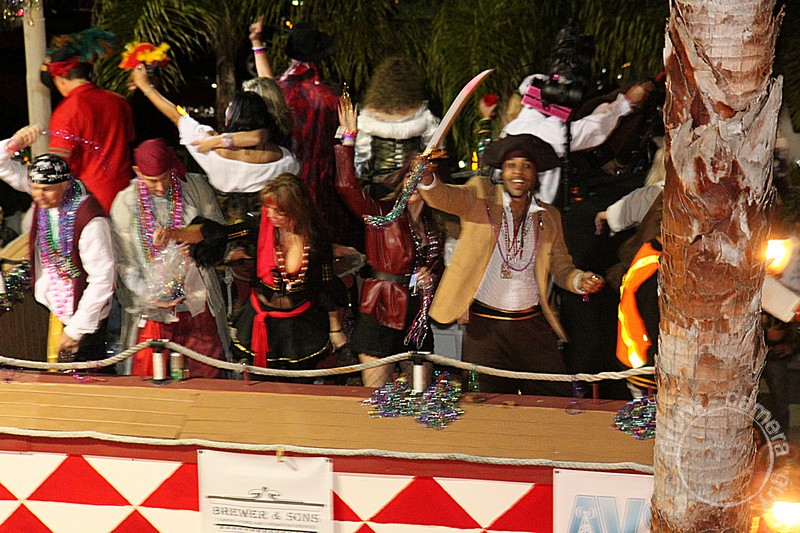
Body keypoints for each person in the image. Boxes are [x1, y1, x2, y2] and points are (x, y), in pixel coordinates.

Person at [417, 134, 604, 395]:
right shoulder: (480, 197)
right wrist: (428, 179)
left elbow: (561, 266)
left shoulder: (548, 216)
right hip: (484, 331)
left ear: (535, 175)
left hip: (533, 329)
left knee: (552, 405)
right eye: (511, 166)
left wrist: (579, 280)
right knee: (484, 405)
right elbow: (444, 197)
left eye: (526, 166)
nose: (518, 172)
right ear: (501, 172)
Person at [161, 174, 347, 378]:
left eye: (278, 211)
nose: (271, 215)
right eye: (269, 208)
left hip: (300, 326)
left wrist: (335, 329)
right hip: (260, 320)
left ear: (296, 208)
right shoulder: (259, 226)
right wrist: (174, 234)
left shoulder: (316, 239)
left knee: (297, 385)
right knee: (259, 382)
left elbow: (327, 285)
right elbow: (215, 233)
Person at [336, 95, 443, 387]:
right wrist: (348, 138)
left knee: (421, 397)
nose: (416, 182)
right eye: (412, 176)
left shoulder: (435, 225)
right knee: (377, 397)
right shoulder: (383, 214)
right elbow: (346, 186)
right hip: (381, 311)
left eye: (424, 177)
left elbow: (440, 267)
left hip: (417, 315)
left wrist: (430, 276)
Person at [110, 139, 231, 378]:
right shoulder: (125, 203)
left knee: (207, 376)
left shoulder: (194, 187)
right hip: (153, 311)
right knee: (151, 377)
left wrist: (195, 250)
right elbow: (124, 263)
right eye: (152, 180)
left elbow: (217, 235)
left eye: (165, 177)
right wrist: (148, 294)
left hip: (197, 303)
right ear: (137, 172)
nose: (159, 186)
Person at [130, 65, 300, 227]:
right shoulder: (284, 159)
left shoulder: (209, 149)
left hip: (224, 230)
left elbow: (176, 115)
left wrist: (145, 86)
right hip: (267, 227)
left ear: (232, 116)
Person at [0, 125, 115, 365]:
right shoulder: (44, 193)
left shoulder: (90, 220)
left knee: (86, 378)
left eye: (46, 190)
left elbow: (103, 279)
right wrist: (15, 143)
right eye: (34, 188)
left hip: (85, 318)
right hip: (55, 308)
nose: (38, 196)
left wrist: (75, 330)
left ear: (65, 185)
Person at [502, 76, 653, 204]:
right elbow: (592, 129)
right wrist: (626, 102)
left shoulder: (513, 126)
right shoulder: (545, 131)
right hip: (538, 210)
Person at [41, 28, 135, 213]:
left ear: (60, 79)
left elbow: (60, 164)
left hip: (92, 204)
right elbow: (129, 142)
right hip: (127, 198)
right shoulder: (119, 102)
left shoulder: (67, 111)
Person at [353, 57, 440, 200]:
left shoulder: (366, 119)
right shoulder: (425, 117)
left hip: (379, 191)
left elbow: (360, 160)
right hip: (415, 187)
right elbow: (434, 152)